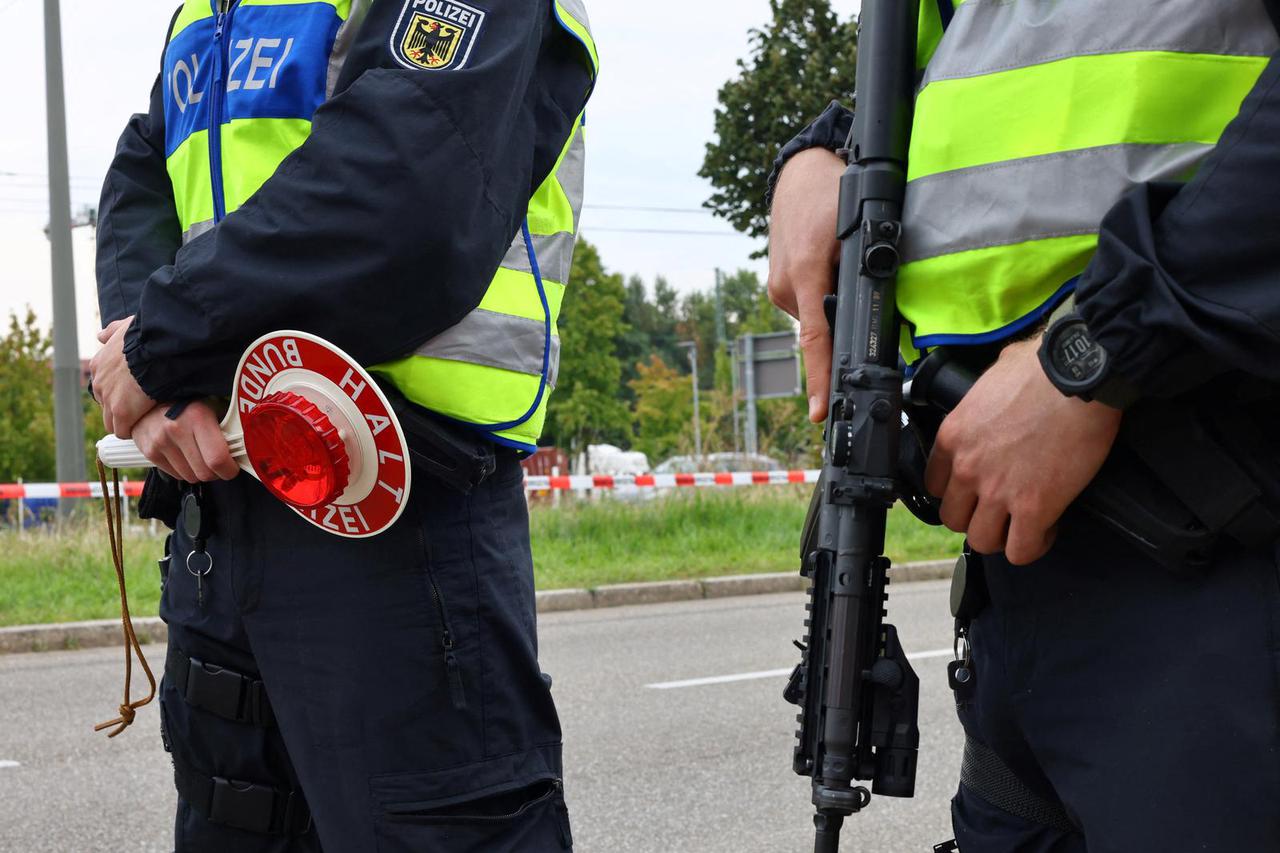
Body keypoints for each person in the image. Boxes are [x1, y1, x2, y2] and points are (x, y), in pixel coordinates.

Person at [768, 1, 1280, 850]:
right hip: (1024, 569)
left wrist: (1094, 352)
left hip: (1220, 524)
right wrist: (825, 150)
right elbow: (976, 71)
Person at [88, 0, 597, 850]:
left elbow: (407, 186)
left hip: (397, 514)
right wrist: (156, 376)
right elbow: (144, 167)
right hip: (217, 513)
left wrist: (161, 345)